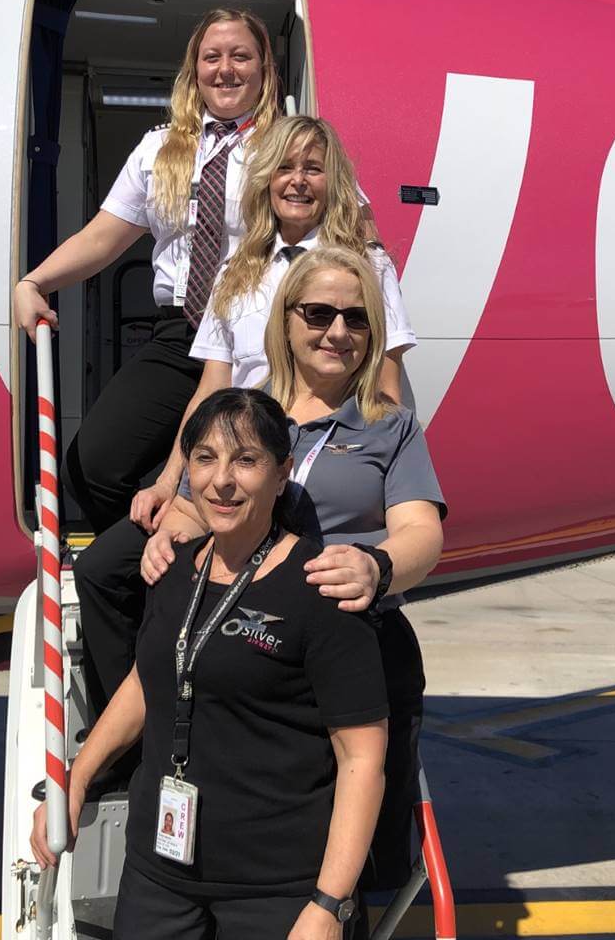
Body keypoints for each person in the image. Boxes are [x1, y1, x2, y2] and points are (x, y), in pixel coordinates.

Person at [75, 119, 414, 735]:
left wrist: (380, 472)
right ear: (265, 181)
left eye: (313, 169)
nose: (298, 181)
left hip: (313, 456)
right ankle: (141, 732)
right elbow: (211, 388)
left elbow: (386, 386)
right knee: (108, 570)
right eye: (286, 168)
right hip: (236, 463)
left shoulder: (363, 265)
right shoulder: (239, 268)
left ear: (333, 183)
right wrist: (172, 485)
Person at [31, 388, 390, 940]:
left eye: (246, 460)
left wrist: (327, 905)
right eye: (205, 458)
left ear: (281, 472)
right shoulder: (173, 570)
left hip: (276, 890)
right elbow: (146, 684)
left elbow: (362, 759)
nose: (221, 480)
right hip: (160, 875)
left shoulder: (321, 591)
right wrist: (76, 778)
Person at [143, 246, 445, 894]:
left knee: (358, 860)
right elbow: (201, 502)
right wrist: (169, 534)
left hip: (356, 644)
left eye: (358, 318)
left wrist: (378, 565)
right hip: (255, 651)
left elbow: (423, 532)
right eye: (319, 313)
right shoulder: (250, 413)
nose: (339, 331)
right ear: (286, 321)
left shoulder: (390, 427)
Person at [13, 8, 280, 533]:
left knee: (230, 474)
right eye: (212, 57)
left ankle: (209, 570)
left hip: (254, 334)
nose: (225, 69)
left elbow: (348, 223)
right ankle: (160, 569)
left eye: (241, 56)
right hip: (180, 333)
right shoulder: (160, 148)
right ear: (195, 70)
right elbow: (103, 236)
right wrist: (35, 281)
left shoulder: (288, 145)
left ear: (264, 69)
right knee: (93, 467)